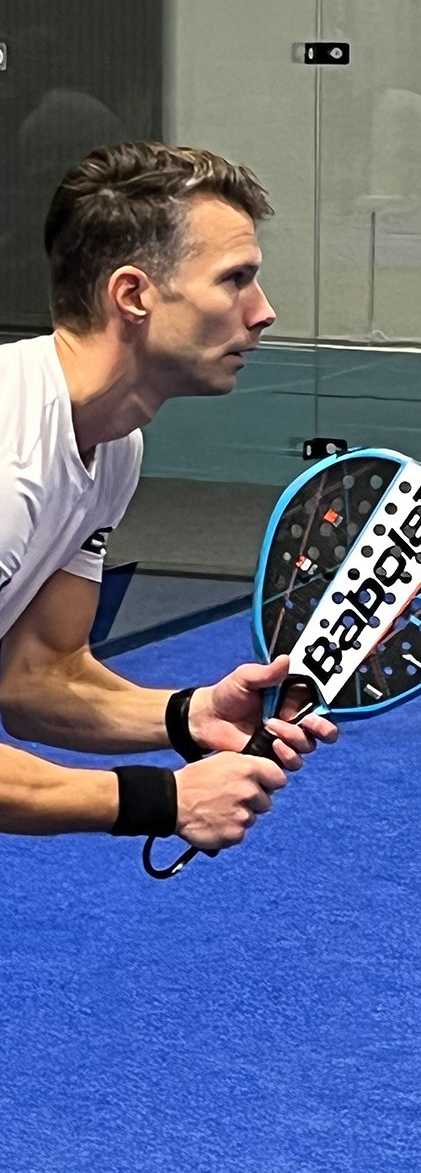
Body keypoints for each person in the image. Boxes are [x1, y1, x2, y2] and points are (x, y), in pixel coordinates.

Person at [0, 141, 337, 845]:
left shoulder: (114, 442)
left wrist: (191, 714)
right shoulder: (9, 461)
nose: (264, 310)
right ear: (133, 295)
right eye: (234, 279)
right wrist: (160, 800)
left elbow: (35, 675)